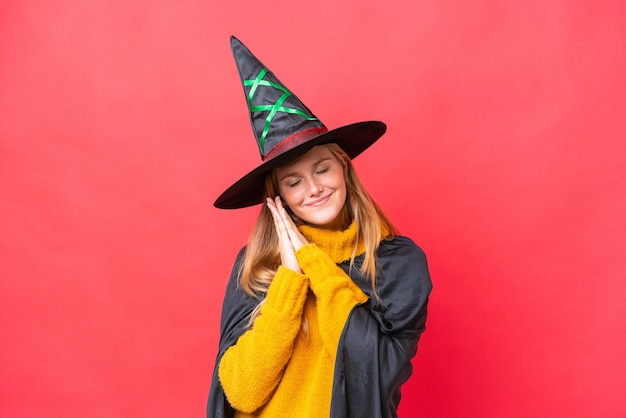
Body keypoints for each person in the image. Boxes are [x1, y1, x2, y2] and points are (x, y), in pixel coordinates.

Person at [207, 36, 432, 418]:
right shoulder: (256, 267)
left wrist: (314, 262)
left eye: (322, 168)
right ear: (277, 195)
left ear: (344, 167)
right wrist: (289, 281)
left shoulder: (398, 263)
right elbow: (242, 393)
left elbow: (374, 372)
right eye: (293, 182)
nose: (313, 189)